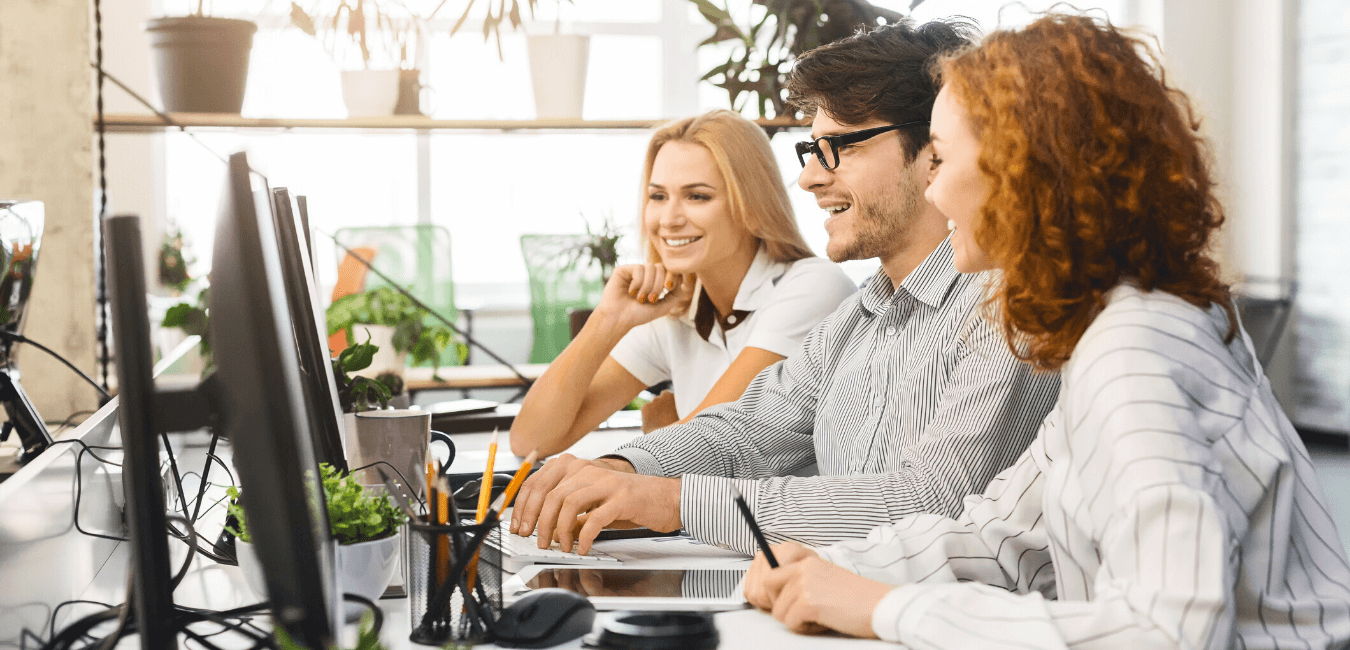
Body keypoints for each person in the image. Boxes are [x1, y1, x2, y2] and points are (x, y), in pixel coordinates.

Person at [742, 14, 1350, 648]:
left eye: (943, 159)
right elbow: (1004, 533)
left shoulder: (1135, 352)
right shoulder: (1105, 329)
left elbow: (1169, 633)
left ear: (1022, 169)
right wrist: (838, 571)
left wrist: (886, 608)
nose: (934, 185)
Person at [508, 19, 1061, 557]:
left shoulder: (1007, 304)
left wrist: (675, 499)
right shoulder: (860, 317)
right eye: (811, 150)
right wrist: (623, 469)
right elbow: (748, 431)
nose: (810, 177)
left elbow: (933, 500)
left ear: (932, 153)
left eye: (839, 147)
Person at [509, 110, 857, 458]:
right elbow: (530, 442)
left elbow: (699, 446)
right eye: (658, 197)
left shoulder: (814, 286)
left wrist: (663, 432)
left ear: (751, 205)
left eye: (697, 197)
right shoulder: (676, 309)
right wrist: (607, 319)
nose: (669, 220)